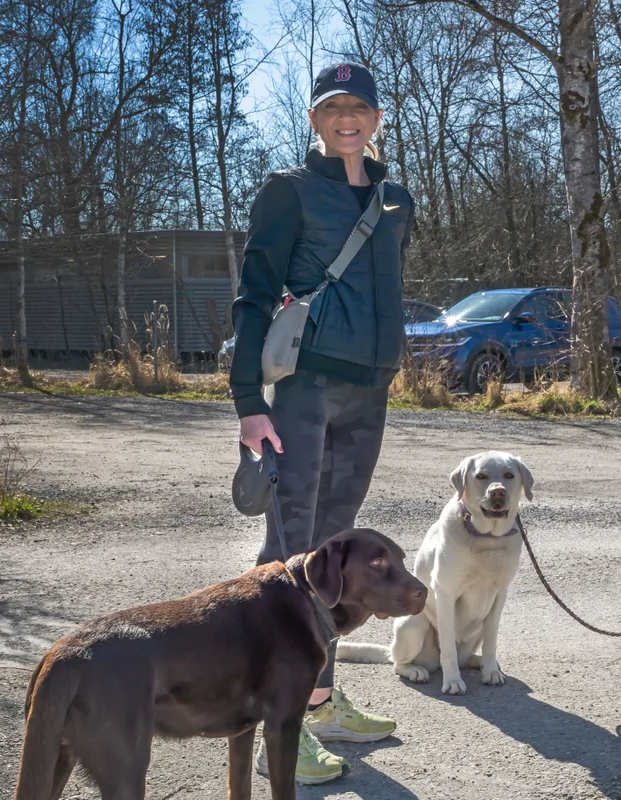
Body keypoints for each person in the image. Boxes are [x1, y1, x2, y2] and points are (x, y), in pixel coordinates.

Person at [229, 61, 413, 784]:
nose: (346, 120)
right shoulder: (288, 191)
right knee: (290, 549)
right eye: (332, 109)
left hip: (369, 392)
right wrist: (249, 400)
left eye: (358, 108)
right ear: (314, 120)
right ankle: (279, 712)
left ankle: (321, 697)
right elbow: (253, 297)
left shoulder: (397, 200)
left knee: (337, 561)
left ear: (375, 119)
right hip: (304, 390)